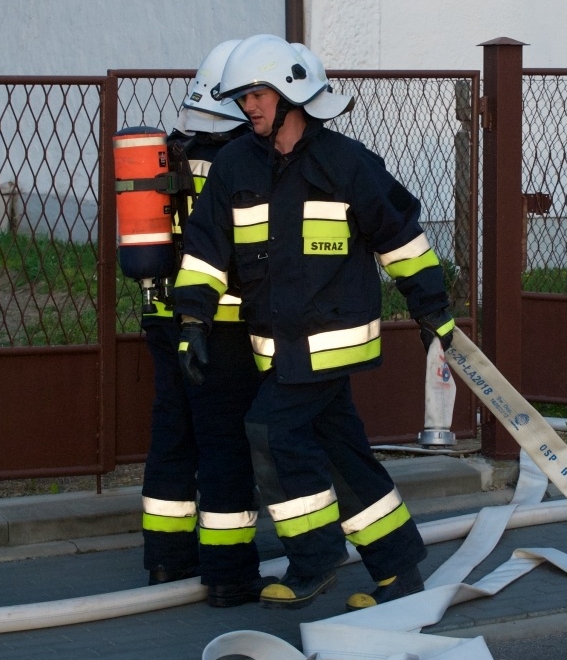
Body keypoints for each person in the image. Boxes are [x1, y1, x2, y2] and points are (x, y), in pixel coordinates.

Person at [173, 34, 455, 610]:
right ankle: (398, 568)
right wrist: (193, 322)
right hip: (275, 343)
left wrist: (430, 308)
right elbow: (206, 251)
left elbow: (402, 241)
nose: (247, 106)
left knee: (271, 431)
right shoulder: (234, 165)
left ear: (291, 94)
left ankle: (314, 558)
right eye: (241, 96)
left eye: (256, 94)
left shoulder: (348, 164)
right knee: (345, 455)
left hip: (331, 339)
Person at [140, 40, 264, 608]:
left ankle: (166, 560)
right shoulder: (243, 159)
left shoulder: (166, 152)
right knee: (224, 446)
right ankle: (229, 574)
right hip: (223, 324)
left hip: (162, 316)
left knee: (173, 437)